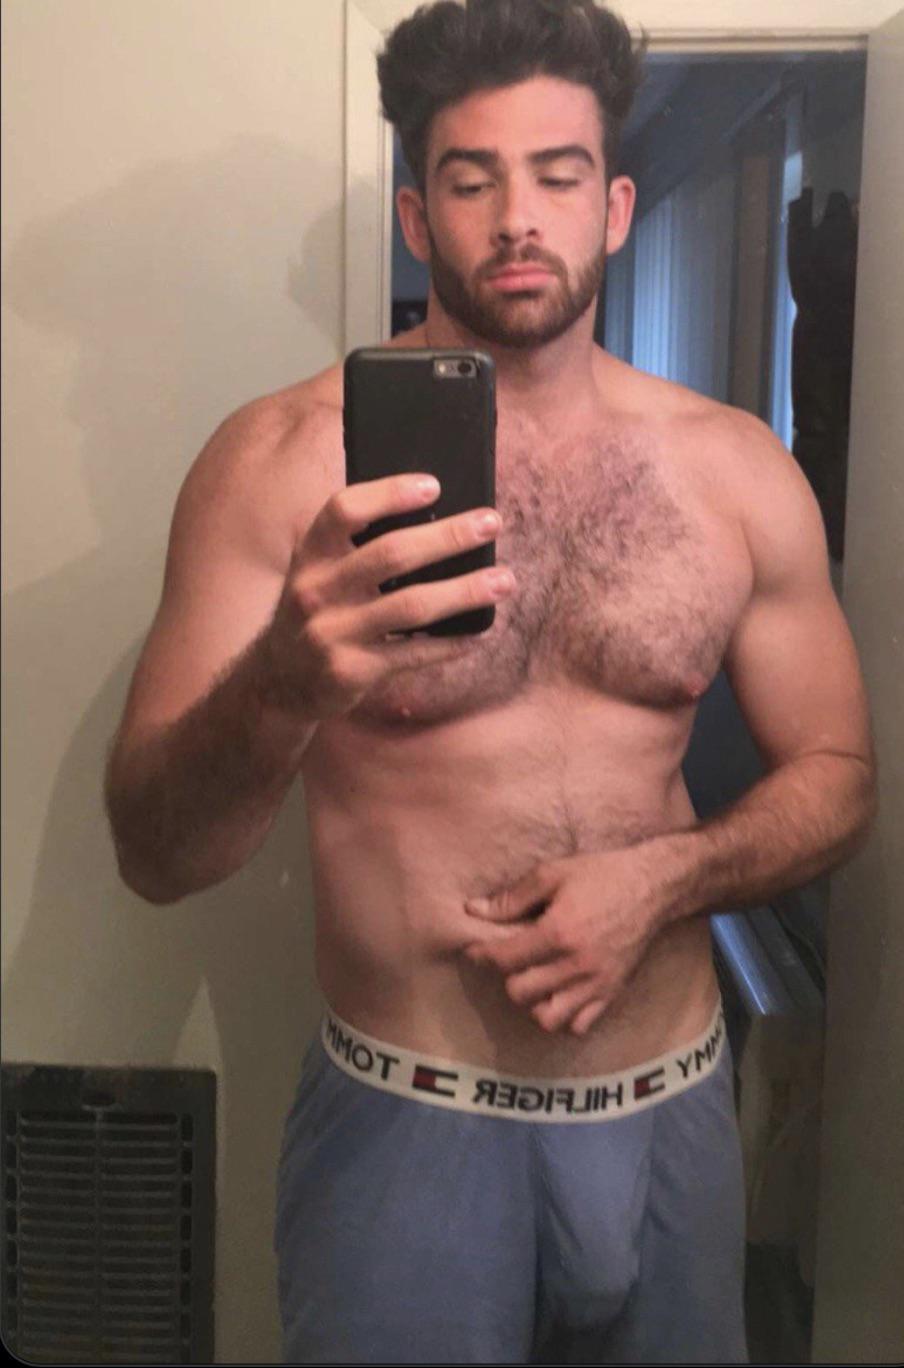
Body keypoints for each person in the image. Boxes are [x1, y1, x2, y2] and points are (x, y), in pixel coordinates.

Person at [104, 1, 877, 1362]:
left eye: (558, 175)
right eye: (472, 181)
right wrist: (283, 680)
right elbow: (155, 853)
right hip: (408, 1127)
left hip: (673, 1124)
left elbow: (842, 779)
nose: (519, 218)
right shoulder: (276, 468)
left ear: (616, 206)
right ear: (417, 218)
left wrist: (667, 878)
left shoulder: (736, 472)